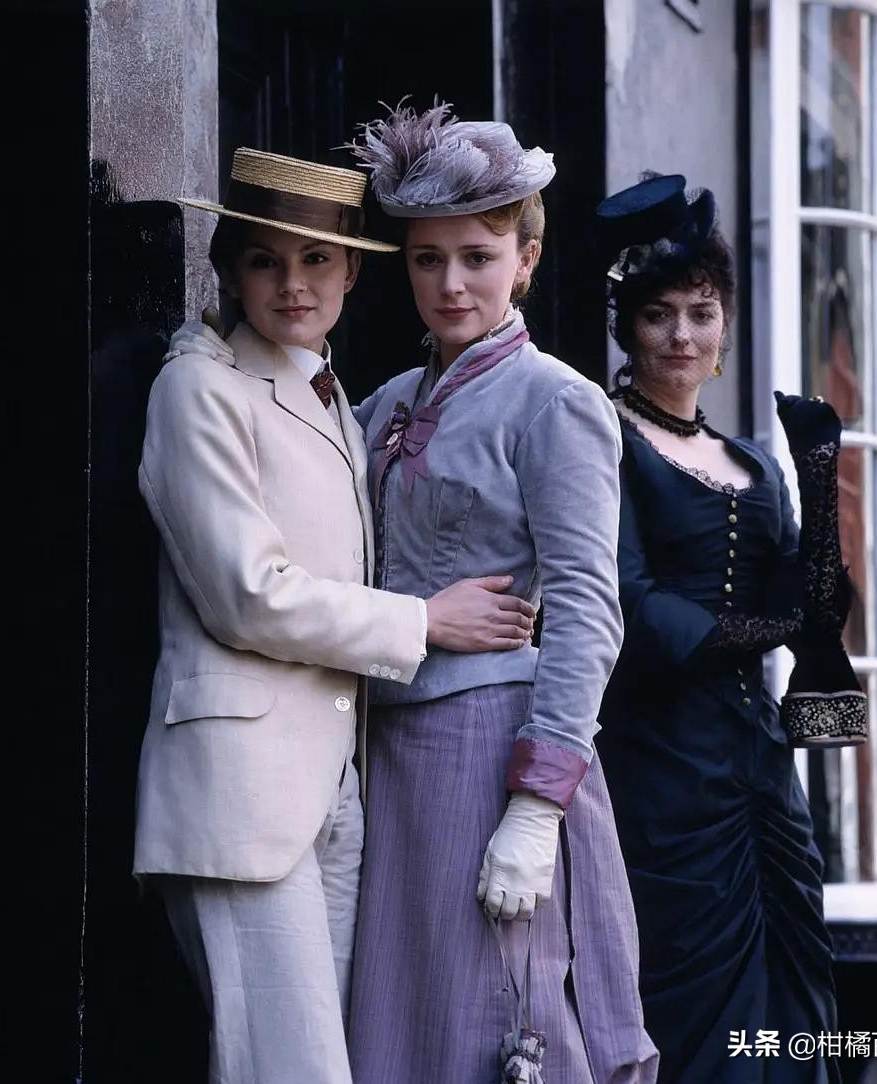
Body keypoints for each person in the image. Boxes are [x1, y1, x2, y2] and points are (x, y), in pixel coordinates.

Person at [135, 147, 535, 1084]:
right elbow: (247, 593)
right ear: (228, 269)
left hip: (334, 795)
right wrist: (420, 621)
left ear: (353, 271)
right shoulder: (198, 387)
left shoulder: (335, 396)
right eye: (266, 260)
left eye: (317, 259)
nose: (293, 284)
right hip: (241, 799)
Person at [345, 101, 658, 1084]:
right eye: (427, 259)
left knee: (496, 1028)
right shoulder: (385, 405)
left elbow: (588, 613)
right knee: (401, 1028)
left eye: (477, 257)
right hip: (387, 755)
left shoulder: (556, 403)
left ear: (525, 260)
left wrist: (536, 805)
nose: (450, 283)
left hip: (491, 752)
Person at [594, 172, 843, 1083]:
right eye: (658, 315)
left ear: (725, 327)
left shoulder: (751, 462)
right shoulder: (603, 436)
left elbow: (820, 614)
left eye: (702, 313)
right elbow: (633, 605)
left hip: (760, 775)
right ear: (627, 327)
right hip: (660, 772)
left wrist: (820, 479)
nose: (682, 336)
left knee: (795, 1002)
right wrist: (771, 626)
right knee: (689, 1009)